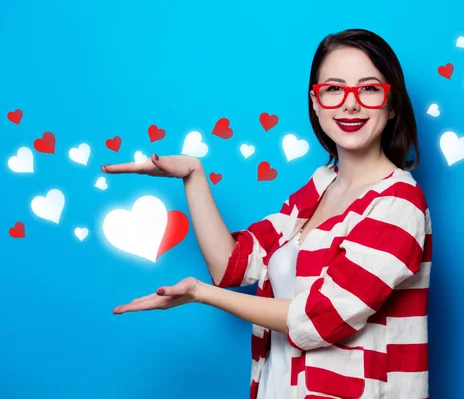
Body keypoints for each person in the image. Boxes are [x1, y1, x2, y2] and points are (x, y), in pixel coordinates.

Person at [104, 28, 433, 399]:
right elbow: (232, 265)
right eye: (334, 89)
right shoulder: (321, 187)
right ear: (315, 102)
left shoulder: (398, 203)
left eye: (369, 89)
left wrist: (201, 294)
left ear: (392, 105)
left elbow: (321, 318)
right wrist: (194, 175)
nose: (350, 104)